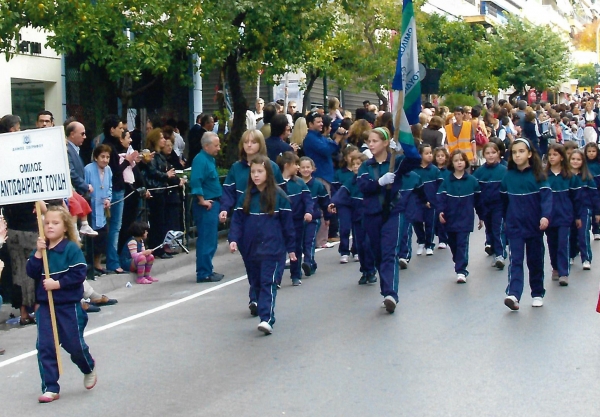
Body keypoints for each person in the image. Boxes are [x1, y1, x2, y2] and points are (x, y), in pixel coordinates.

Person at [26, 205, 96, 403]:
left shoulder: (71, 249)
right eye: (46, 223)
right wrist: (38, 254)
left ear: (65, 227)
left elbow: (79, 274)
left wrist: (57, 284)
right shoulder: (42, 249)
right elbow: (31, 271)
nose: (50, 227)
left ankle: (88, 366)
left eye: (55, 223)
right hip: (46, 306)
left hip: (68, 305)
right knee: (45, 346)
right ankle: (50, 386)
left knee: (73, 344)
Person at [228, 155, 296, 335]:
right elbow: (237, 220)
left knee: (268, 282)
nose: (256, 175)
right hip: (251, 248)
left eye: (260, 171)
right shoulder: (246, 196)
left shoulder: (279, 196)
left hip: (273, 249)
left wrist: (291, 249)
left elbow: (288, 225)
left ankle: (267, 318)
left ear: (269, 173)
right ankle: (260, 306)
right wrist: (233, 239)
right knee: (256, 282)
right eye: (253, 172)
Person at [357, 127, 421, 313]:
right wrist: (379, 182)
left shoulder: (396, 161)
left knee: (389, 252)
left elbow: (415, 160)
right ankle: (386, 289)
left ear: (386, 143)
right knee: (377, 253)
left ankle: (390, 294)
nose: (371, 144)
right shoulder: (366, 166)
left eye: (375, 141)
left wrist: (402, 148)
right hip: (372, 214)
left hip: (393, 212)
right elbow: (362, 185)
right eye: (369, 141)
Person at [501, 138, 552, 310]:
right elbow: (503, 201)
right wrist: (504, 220)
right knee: (515, 260)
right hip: (514, 226)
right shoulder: (508, 176)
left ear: (530, 154)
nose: (517, 155)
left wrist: (545, 216)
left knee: (535, 260)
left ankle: (537, 292)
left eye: (521, 151)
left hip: (534, 226)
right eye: (514, 152)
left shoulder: (538, 176)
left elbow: (546, 199)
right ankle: (513, 294)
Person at [329, 153, 376, 284]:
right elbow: (342, 192)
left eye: (358, 164)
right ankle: (364, 271)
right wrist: (334, 202)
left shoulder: (371, 180)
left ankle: (371, 270)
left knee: (368, 245)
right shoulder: (351, 181)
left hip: (370, 216)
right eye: (354, 164)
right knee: (360, 245)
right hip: (357, 217)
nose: (355, 167)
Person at [437, 150, 482, 283]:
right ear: (452, 163)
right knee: (453, 243)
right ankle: (458, 260)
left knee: (462, 243)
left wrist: (481, 217)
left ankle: (461, 270)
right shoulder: (447, 181)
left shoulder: (472, 181)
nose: (459, 163)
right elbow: (440, 198)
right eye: (456, 160)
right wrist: (440, 211)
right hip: (450, 218)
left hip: (466, 218)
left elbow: (478, 201)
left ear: (465, 162)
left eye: (461, 160)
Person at [303, 111, 346, 248]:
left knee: (325, 207)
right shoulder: (310, 138)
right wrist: (337, 140)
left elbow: (330, 146)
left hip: (326, 175)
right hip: (320, 176)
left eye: (322, 121)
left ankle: (322, 239)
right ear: (310, 124)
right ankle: (320, 241)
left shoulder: (319, 137)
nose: (321, 124)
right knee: (322, 208)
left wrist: (337, 139)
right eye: (318, 121)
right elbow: (327, 150)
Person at [102, 115, 138, 274]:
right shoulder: (108, 146)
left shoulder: (115, 146)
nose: (122, 130)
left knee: (117, 226)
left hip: (119, 187)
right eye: (119, 128)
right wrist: (127, 160)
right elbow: (115, 170)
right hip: (114, 188)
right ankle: (112, 260)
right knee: (114, 226)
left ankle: (114, 258)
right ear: (112, 130)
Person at [140, 128, 184, 259]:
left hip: (162, 190)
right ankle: (157, 248)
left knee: (161, 221)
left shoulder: (160, 156)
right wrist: (166, 175)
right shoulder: (152, 156)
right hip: (156, 190)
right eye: (161, 138)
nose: (164, 140)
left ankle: (160, 247)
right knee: (157, 221)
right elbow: (152, 172)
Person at [190, 132, 224, 283]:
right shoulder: (200, 160)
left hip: (213, 203)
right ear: (206, 146)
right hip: (206, 206)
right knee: (206, 238)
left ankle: (207, 269)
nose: (219, 148)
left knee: (211, 238)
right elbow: (196, 181)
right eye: (216, 145)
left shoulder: (209, 159)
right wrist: (202, 200)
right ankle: (204, 272)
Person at [545, 144, 581, 286]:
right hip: (549, 217)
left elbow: (576, 198)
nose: (552, 157)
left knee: (562, 243)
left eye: (555, 154)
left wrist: (577, 216)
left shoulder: (570, 177)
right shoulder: (543, 176)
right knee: (551, 243)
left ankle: (563, 272)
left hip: (565, 216)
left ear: (561, 157)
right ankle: (555, 267)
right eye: (550, 155)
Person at [277, 152, 313, 286]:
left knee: (297, 248)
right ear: (287, 165)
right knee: (279, 250)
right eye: (295, 164)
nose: (298, 167)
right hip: (279, 222)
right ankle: (277, 278)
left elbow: (308, 200)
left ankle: (295, 275)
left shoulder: (299, 183)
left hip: (296, 221)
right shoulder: (276, 183)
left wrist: (309, 212)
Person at [472, 142, 508, 269]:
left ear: (498, 153)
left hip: (499, 205)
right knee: (491, 229)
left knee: (498, 229)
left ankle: (500, 255)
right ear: (483, 155)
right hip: (485, 206)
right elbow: (474, 189)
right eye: (488, 153)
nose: (491, 155)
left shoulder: (504, 171)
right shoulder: (479, 172)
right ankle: (493, 248)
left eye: (493, 152)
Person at [298, 156, 331, 277]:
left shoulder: (317, 185)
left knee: (309, 241)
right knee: (300, 243)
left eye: (308, 167)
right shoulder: (296, 183)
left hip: (313, 218)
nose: (305, 170)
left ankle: (307, 262)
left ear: (313, 169)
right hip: (298, 218)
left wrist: (327, 217)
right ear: (298, 169)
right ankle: (311, 262)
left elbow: (325, 202)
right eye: (303, 167)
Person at [64, 121, 98, 237]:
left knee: (82, 204)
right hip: (71, 191)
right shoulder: (67, 149)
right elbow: (71, 172)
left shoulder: (74, 149)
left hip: (78, 193)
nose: (85, 137)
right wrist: (84, 186)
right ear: (72, 134)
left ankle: (83, 225)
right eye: (82, 134)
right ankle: (76, 230)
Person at [569, 149, 600, 271]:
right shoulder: (566, 177)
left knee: (583, 234)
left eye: (578, 159)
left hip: (584, 209)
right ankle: (571, 255)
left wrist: (597, 212)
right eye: (573, 159)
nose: (575, 162)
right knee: (571, 234)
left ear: (583, 161)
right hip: (569, 210)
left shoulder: (587, 177)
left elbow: (594, 196)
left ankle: (586, 258)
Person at [84, 145, 113, 274]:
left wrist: (108, 199)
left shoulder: (109, 170)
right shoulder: (88, 169)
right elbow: (84, 186)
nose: (105, 160)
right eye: (102, 156)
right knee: (91, 238)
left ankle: (98, 263)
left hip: (102, 207)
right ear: (96, 157)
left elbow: (109, 187)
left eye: (107, 157)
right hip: (91, 207)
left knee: (102, 237)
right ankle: (91, 265)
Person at [331, 145, 360, 263]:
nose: (353, 160)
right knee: (344, 227)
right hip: (344, 204)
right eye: (350, 157)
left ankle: (356, 250)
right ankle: (344, 251)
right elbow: (335, 189)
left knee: (357, 228)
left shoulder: (362, 172)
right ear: (346, 158)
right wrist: (334, 202)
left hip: (357, 203)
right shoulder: (340, 173)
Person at [413, 144, 442, 257]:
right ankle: (421, 241)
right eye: (427, 153)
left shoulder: (434, 170)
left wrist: (438, 200)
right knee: (417, 221)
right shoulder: (415, 170)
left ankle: (429, 245)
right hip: (417, 201)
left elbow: (440, 185)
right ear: (420, 155)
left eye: (431, 153)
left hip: (432, 201)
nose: (430, 155)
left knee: (430, 223)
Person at [584, 142, 600, 240]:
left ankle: (596, 230)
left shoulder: (598, 164)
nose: (591, 153)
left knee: (597, 210)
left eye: (593, 151)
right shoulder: (584, 164)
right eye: (589, 151)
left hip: (598, 190)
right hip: (587, 191)